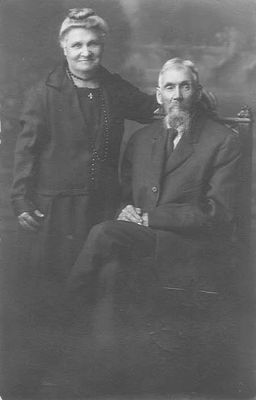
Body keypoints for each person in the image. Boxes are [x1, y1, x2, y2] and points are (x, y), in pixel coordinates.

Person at [69, 57, 241, 302]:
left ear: (198, 92)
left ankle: (62, 313)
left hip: (188, 243)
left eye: (185, 86)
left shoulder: (222, 141)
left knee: (104, 233)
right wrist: (125, 209)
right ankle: (100, 337)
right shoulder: (141, 139)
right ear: (159, 96)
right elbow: (124, 197)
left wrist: (151, 218)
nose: (177, 96)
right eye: (170, 87)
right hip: (143, 238)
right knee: (110, 272)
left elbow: (218, 213)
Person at [11, 8, 158, 286]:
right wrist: (20, 200)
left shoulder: (114, 87)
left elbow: (152, 109)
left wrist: (189, 99)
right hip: (55, 209)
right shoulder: (43, 93)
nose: (85, 52)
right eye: (77, 44)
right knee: (54, 285)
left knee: (96, 284)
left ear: (102, 45)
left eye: (93, 43)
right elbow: (26, 152)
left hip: (102, 206)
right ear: (64, 47)